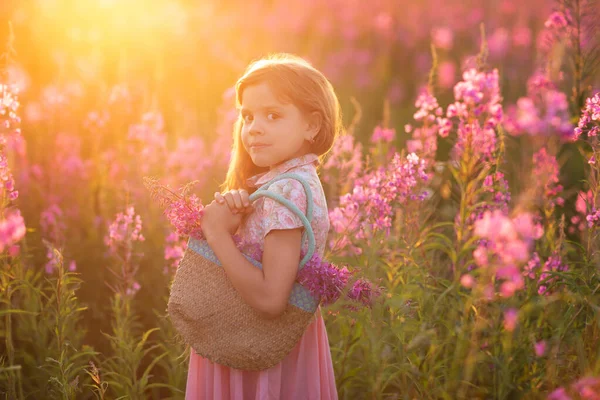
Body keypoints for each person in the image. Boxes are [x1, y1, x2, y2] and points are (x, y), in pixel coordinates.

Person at [186, 53, 341, 399]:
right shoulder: (290, 179)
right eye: (247, 116)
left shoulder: (287, 188)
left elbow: (272, 299)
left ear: (312, 125)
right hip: (271, 345)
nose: (254, 127)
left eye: (273, 115)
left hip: (259, 349)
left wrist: (216, 232)